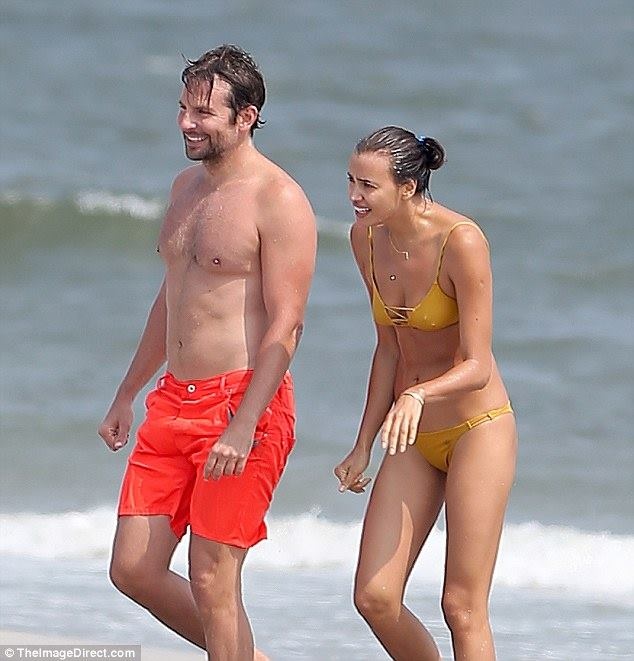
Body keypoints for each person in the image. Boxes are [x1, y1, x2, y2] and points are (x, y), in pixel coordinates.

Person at [99, 44, 316, 661]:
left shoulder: (278, 199)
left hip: (240, 403)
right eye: (182, 109)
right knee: (132, 568)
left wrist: (245, 423)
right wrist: (127, 391)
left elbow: (288, 324)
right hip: (172, 401)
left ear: (246, 117)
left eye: (203, 113)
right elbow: (172, 300)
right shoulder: (184, 189)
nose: (186, 123)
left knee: (213, 578)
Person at [334, 126, 517, 660]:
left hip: (476, 430)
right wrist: (362, 444)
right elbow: (388, 349)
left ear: (408, 186)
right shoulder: (365, 238)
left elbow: (477, 365)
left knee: (461, 606)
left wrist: (417, 396)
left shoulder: (461, 241)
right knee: (374, 597)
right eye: (351, 181)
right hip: (412, 435)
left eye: (368, 186)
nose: (354, 196)